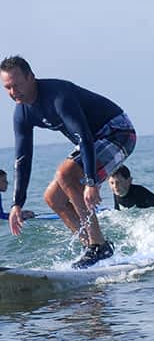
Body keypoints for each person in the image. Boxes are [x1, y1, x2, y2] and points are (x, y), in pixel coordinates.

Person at [2, 56, 136, 268]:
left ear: (31, 77)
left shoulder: (58, 95)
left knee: (65, 174)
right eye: (7, 87)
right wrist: (17, 203)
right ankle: (91, 250)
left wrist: (91, 182)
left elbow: (84, 136)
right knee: (53, 198)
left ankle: (99, 245)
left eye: (16, 85)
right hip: (91, 142)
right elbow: (23, 158)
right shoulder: (22, 112)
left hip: (118, 133)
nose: (12, 92)